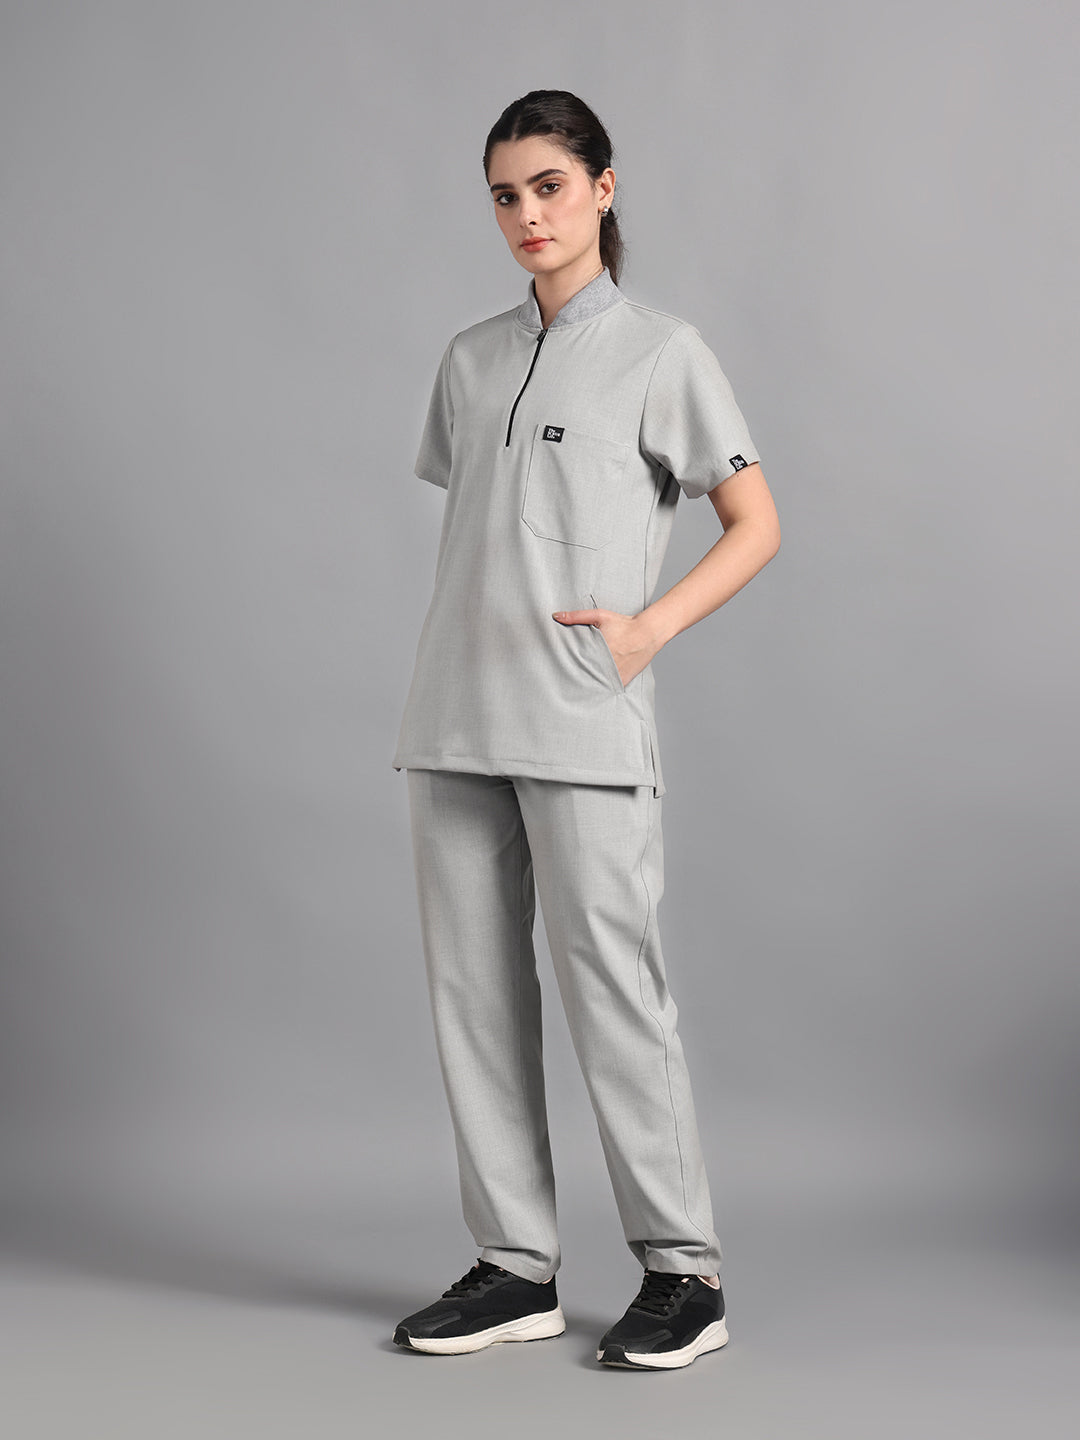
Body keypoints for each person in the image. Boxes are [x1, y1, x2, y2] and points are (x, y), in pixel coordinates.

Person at [390, 90, 780, 1370]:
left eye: (550, 186)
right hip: (453, 717)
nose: (527, 214)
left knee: (616, 990)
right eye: (505, 195)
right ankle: (515, 1267)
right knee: (475, 999)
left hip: (581, 719)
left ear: (603, 189)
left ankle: (685, 1272)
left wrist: (647, 629)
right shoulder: (469, 360)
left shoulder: (664, 352)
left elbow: (757, 525)